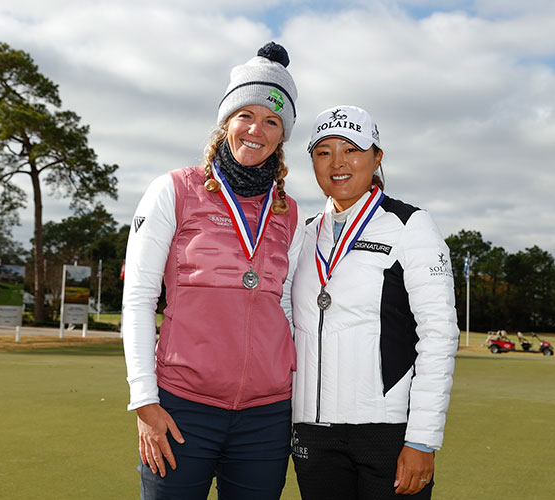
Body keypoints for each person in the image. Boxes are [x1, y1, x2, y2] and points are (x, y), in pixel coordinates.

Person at [121, 42, 304, 500]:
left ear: (283, 135)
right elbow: (139, 298)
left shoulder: (291, 212)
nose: (256, 129)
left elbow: (287, 307)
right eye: (246, 114)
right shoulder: (173, 190)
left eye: (272, 121)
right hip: (183, 408)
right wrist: (144, 400)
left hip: (266, 418)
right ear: (226, 121)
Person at [290, 105, 460, 499]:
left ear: (377, 157)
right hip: (313, 433)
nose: (338, 163)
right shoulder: (303, 234)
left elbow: (438, 335)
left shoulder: (411, 225)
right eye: (323, 152)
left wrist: (422, 440)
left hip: (387, 432)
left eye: (351, 149)